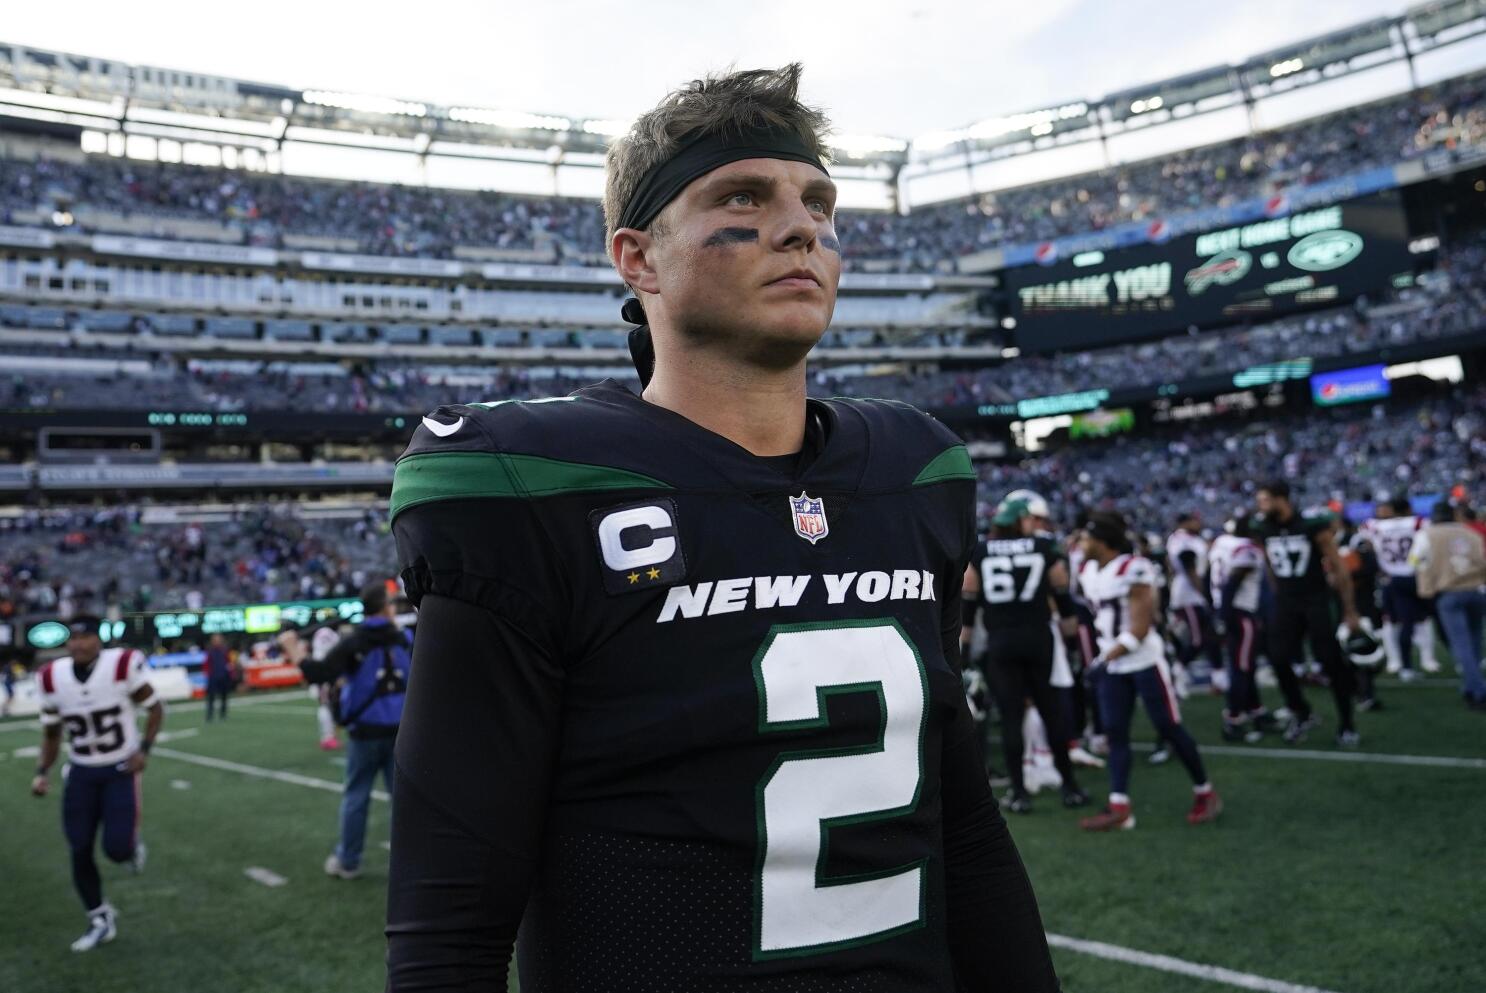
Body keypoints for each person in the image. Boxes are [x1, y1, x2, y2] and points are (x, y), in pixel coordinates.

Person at [387, 65, 1061, 992]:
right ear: (638, 258)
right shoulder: (535, 485)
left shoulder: (916, 472)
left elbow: (967, 830)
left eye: (817, 201)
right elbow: (449, 921)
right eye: (742, 196)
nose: (801, 227)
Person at [1077, 512, 1220, 832]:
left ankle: (1205, 792)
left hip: (1143, 660)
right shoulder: (1087, 570)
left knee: (1168, 726)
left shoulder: (1135, 567)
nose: (1080, 544)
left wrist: (1102, 659)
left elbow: (1140, 628)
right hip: (1113, 662)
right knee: (1115, 732)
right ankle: (1119, 807)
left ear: (1102, 541)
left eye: (1086, 538)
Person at [30, 616, 163, 951]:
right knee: (79, 848)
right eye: (73, 637)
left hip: (119, 768)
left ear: (99, 639)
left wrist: (143, 749)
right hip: (81, 772)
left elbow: (155, 708)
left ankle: (131, 848)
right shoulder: (50, 676)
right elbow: (51, 733)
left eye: (85, 636)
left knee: (117, 849)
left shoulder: (121, 665)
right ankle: (99, 918)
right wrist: (42, 771)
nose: (78, 643)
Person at [963, 497, 1087, 813]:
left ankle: (1019, 793)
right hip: (1038, 639)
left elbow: (968, 607)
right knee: (1051, 712)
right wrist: (1072, 643)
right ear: (1021, 520)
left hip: (1001, 642)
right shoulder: (1044, 548)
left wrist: (963, 654)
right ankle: (1070, 788)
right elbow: (1063, 597)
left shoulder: (980, 551)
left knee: (1011, 718)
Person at [1251, 481, 1362, 746]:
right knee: (1277, 658)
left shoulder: (1311, 526)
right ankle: (1301, 711)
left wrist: (1349, 609)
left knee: (1329, 660)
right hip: (1287, 602)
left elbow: (1337, 567)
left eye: (1265, 500)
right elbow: (1269, 565)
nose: (1260, 506)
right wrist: (1279, 596)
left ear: (1281, 499)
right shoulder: (1264, 528)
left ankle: (1347, 722)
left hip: (1315, 599)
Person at [322, 583, 411, 880]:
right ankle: (415, 863)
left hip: (365, 732)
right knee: (404, 802)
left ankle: (348, 861)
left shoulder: (354, 641)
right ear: (385, 607)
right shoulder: (404, 637)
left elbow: (317, 673)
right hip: (400, 730)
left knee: (356, 797)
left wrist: (294, 648)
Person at [1411, 501, 1486, 710]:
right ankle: (1472, 686)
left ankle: (1478, 691)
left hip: (1449, 593)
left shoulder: (1426, 534)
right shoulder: (1470, 533)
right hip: (1475, 590)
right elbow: (1482, 561)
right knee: (1475, 641)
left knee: (1461, 645)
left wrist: (1426, 589)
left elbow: (1415, 562)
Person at [1209, 517, 1273, 740]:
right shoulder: (1248, 550)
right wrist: (1223, 616)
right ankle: (1233, 719)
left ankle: (1256, 710)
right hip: (1239, 613)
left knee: (1245, 665)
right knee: (1241, 668)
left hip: (1229, 611)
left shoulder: (1222, 543)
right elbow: (1231, 584)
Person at [1359, 497, 1437, 680]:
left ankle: (1405, 664)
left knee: (1402, 622)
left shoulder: (1374, 526)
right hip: (1416, 576)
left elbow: (1365, 536)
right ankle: (1422, 661)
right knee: (1422, 620)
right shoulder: (1419, 522)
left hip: (1393, 578)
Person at [1166, 512, 1222, 679]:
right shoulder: (1183, 540)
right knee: (1198, 639)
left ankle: (1219, 675)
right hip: (1189, 594)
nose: (1199, 523)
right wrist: (1204, 593)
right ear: (1186, 522)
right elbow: (1189, 566)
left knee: (1210, 635)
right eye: (1195, 520)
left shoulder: (1184, 538)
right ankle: (1177, 671)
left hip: (1191, 591)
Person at [201, 634, 235, 722]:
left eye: (219, 640)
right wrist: (208, 674)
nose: (217, 642)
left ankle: (223, 715)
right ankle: (209, 715)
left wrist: (230, 674)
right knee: (211, 698)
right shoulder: (210, 652)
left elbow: (229, 663)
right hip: (213, 677)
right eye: (215, 640)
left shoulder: (225, 651)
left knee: (224, 697)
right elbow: (206, 664)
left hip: (223, 677)